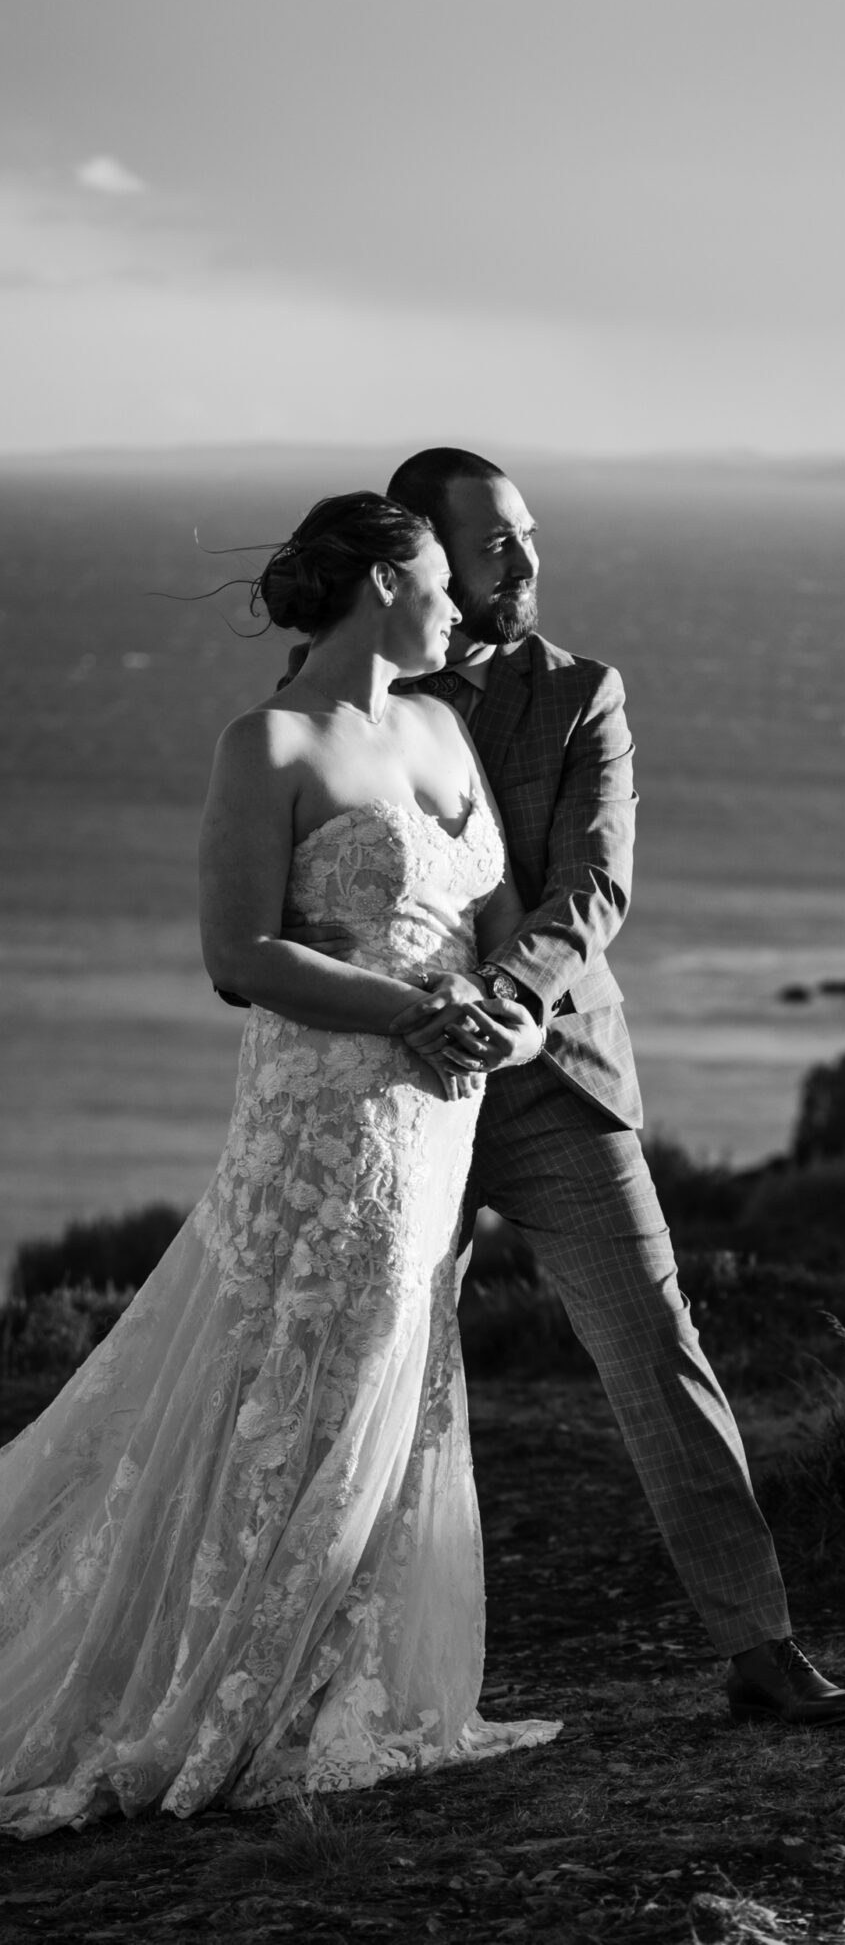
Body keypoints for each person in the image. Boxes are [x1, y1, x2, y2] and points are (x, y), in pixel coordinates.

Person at [0, 492, 561, 1841]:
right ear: (385, 576)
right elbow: (239, 955)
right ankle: (232, 1685)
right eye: (439, 578)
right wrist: (414, 1012)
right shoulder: (271, 743)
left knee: (395, 1371)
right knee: (302, 1368)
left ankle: (340, 1680)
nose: (460, 603)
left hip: (442, 1108)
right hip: (331, 1117)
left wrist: (510, 1007)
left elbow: (490, 913)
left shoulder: (438, 724)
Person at [287, 449, 845, 1729]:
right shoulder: (338, 701)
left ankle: (762, 1646)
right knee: (358, 1368)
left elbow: (594, 885)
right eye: (494, 546)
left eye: (530, 537)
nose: (527, 565)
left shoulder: (583, 693)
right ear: (421, 559)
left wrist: (511, 1001)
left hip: (553, 1079)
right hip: (394, 1092)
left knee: (659, 1349)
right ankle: (308, 1672)